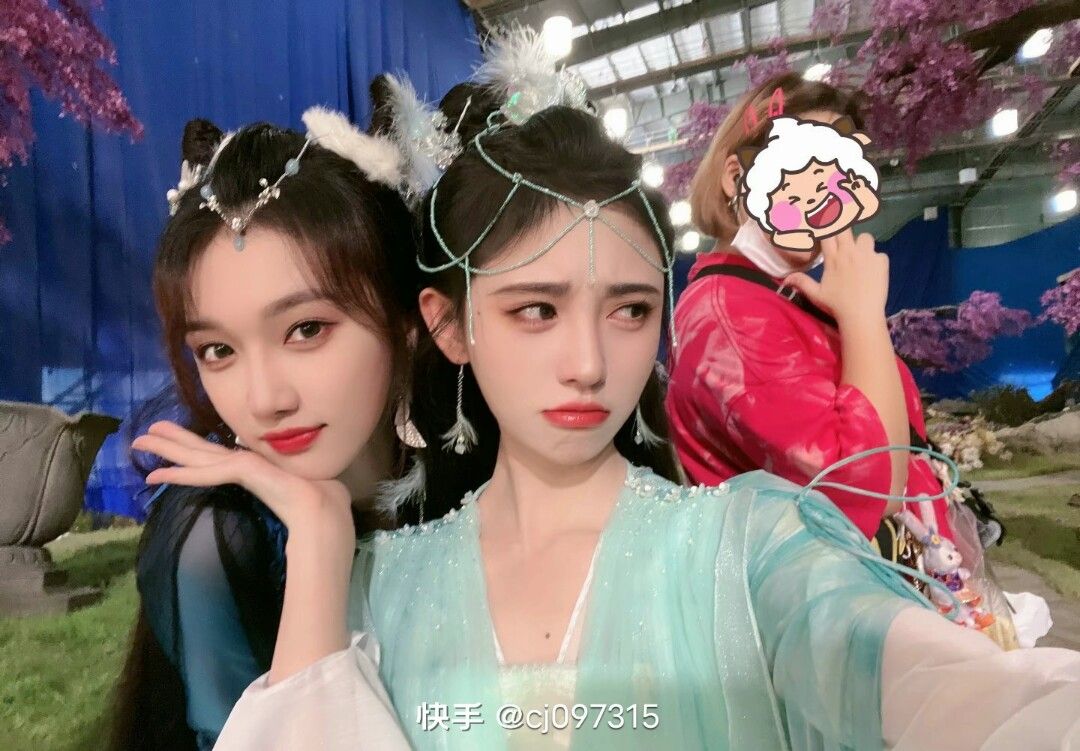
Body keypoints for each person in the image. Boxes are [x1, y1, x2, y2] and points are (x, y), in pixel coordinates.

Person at [203, 37, 1078, 750]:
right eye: (536, 309)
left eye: (628, 310)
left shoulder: (753, 548)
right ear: (449, 324)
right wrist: (319, 539)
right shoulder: (381, 586)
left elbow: (942, 682)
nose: (588, 363)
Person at [109, 98, 421, 750]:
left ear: (407, 323)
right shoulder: (216, 538)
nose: (263, 399)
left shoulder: (461, 481)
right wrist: (317, 538)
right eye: (218, 349)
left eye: (305, 330)